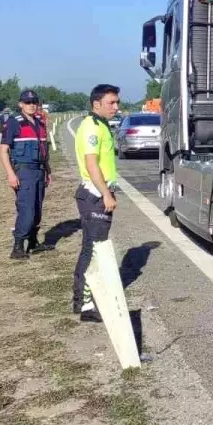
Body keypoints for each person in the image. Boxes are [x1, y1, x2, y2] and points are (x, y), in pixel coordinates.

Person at [72, 84, 121, 323]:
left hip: (99, 194)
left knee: (96, 249)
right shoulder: (91, 127)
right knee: (92, 250)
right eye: (111, 102)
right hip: (94, 196)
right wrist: (106, 194)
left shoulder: (101, 125)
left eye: (117, 102)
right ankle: (85, 305)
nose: (116, 107)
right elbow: (92, 164)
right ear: (96, 104)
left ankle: (90, 299)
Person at [0, 90, 52, 259]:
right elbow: (3, 151)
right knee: (26, 209)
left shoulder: (40, 123)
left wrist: (47, 171)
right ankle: (18, 246)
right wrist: (10, 174)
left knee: (37, 208)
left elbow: (44, 150)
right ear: (20, 104)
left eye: (34, 102)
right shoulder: (15, 123)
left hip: (39, 170)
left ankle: (33, 242)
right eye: (28, 102)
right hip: (24, 171)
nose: (32, 105)